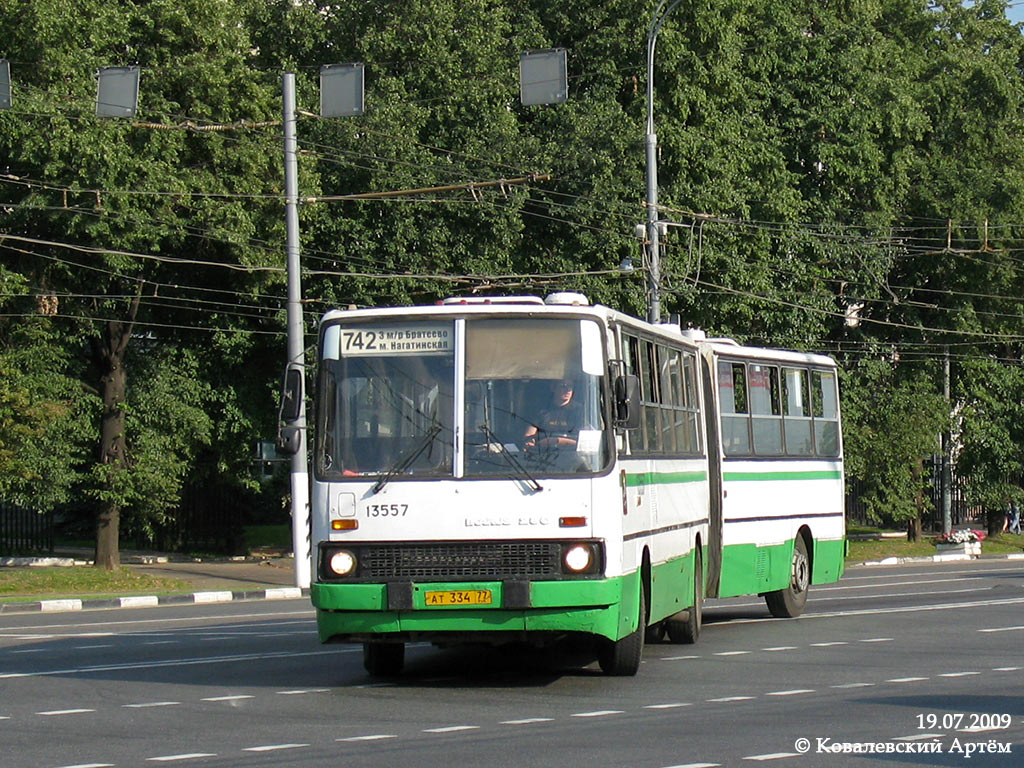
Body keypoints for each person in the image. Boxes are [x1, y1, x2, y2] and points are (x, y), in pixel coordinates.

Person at [524, 379, 583, 449]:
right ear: (553, 388)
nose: (568, 390)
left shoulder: (579, 411)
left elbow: (585, 441)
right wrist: (530, 442)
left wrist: (558, 441)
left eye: (570, 386)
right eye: (563, 386)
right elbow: (529, 435)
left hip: (571, 454)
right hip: (544, 453)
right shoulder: (542, 410)